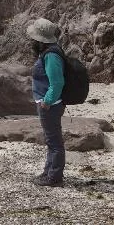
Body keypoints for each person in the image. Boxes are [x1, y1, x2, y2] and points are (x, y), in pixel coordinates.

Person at [27, 17, 65, 187]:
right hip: (49, 103)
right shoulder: (49, 52)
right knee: (51, 141)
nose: (31, 41)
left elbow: (57, 82)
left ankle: (54, 177)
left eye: (33, 38)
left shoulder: (51, 56)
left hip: (51, 105)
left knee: (54, 142)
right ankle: (48, 173)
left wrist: (47, 101)